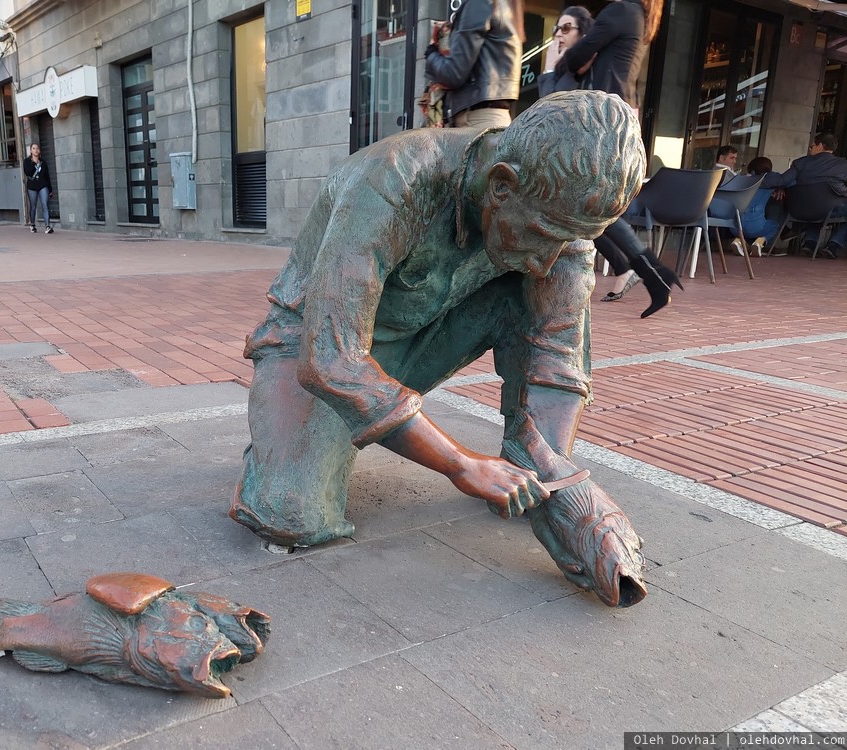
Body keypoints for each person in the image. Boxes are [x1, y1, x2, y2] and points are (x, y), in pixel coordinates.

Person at [229, 90, 645, 569]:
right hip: (316, 346)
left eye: (567, 241)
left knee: (541, 289)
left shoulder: (559, 216)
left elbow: (558, 354)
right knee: (291, 513)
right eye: (541, 236)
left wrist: (560, 483)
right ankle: (273, 454)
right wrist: (460, 464)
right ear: (501, 186)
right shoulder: (392, 180)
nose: (546, 261)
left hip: (424, 332)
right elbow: (330, 359)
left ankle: (524, 458)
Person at [562, 0, 677, 318]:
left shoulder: (621, 11)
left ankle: (651, 274)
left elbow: (574, 58)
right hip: (614, 117)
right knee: (591, 204)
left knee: (592, 203)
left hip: (602, 118)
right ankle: (651, 274)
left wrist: (578, 56)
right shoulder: (640, 16)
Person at [424, 0, 524, 129]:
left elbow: (453, 73)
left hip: (475, 121)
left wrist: (431, 54)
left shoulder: (479, 3)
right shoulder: (505, 5)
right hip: (492, 117)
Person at [762, 132, 847, 258]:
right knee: (824, 205)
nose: (810, 149)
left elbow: (783, 180)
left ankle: (810, 243)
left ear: (820, 146)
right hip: (825, 210)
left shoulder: (800, 163)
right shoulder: (843, 164)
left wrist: (756, 180)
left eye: (811, 146)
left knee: (817, 203)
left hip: (796, 210)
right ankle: (834, 245)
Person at [728, 156, 783, 257]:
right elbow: (785, 180)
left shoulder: (740, 180)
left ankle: (739, 240)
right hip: (756, 227)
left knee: (745, 223)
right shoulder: (769, 184)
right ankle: (760, 241)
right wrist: (780, 188)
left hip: (734, 227)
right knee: (775, 223)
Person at [538, 7, 594, 97]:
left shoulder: (587, 66)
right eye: (557, 29)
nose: (558, 34)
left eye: (566, 28)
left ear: (582, 33)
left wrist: (549, 68)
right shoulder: (562, 66)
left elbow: (551, 105)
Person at [23, 142, 54, 234]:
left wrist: (50, 189)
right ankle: (32, 224)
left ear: (39, 150)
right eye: (34, 148)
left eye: (37, 148)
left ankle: (47, 226)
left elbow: (47, 176)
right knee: (33, 206)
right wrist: (34, 163)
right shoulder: (27, 161)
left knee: (45, 205)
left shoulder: (43, 162)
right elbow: (27, 172)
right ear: (31, 151)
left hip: (43, 185)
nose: (36, 150)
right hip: (32, 186)